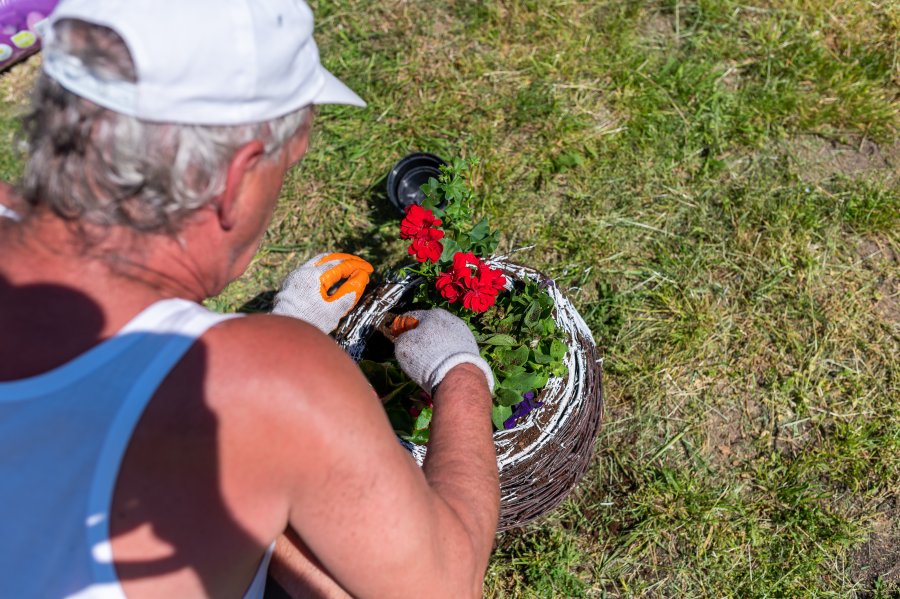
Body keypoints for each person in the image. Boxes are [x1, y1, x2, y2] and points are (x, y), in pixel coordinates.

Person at [0, 0, 500, 597]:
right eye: (286, 165)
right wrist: (459, 373)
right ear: (235, 180)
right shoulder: (267, 384)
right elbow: (446, 583)